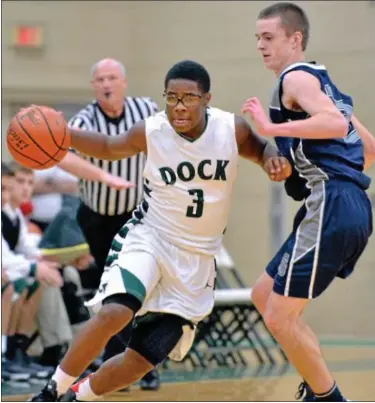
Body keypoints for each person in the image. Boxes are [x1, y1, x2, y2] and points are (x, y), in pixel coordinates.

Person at [27, 59, 291, 401]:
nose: (178, 106)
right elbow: (109, 148)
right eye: (171, 97)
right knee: (115, 312)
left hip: (197, 258)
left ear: (206, 98)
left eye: (188, 98)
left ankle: (79, 396)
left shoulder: (231, 129)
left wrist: (273, 158)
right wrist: (63, 133)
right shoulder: (151, 130)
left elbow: (262, 148)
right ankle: (53, 389)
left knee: (140, 361)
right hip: (150, 238)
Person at [241, 3, 375, 402]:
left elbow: (333, 124)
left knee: (279, 318)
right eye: (258, 38)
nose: (261, 46)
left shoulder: (295, 78)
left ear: (294, 39)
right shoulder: (324, 83)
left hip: (332, 204)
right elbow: (367, 148)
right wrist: (305, 167)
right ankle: (318, 389)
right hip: (345, 201)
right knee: (263, 296)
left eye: (269, 37)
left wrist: (271, 128)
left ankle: (328, 398)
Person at [67, 57, 161, 388]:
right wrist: (103, 175)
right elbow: (63, 154)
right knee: (108, 295)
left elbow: (168, 141)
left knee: (134, 290)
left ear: (123, 82)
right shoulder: (85, 118)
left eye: (112, 78)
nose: (106, 84)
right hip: (95, 217)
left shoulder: (145, 109)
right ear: (94, 86)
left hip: (135, 216)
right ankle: (119, 362)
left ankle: (137, 362)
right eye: (100, 79)